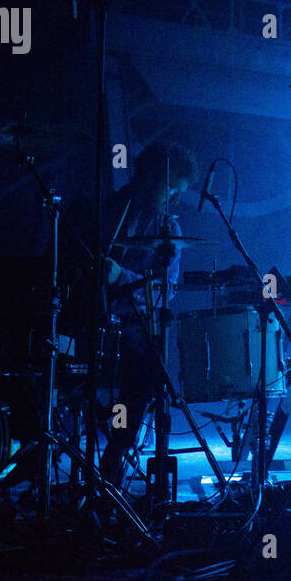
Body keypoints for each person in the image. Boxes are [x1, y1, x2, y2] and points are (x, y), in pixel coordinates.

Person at [97, 141, 199, 490]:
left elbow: (163, 291)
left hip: (133, 323)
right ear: (154, 175)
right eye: (171, 186)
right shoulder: (108, 209)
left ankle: (114, 457)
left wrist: (119, 277)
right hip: (88, 317)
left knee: (144, 369)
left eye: (178, 191)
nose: (172, 196)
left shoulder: (168, 229)